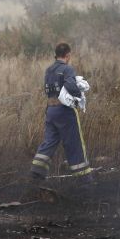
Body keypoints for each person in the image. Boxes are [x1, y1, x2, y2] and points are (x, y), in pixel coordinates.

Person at [29, 42, 91, 179]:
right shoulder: (67, 69)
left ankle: (36, 172)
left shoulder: (49, 70)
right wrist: (79, 94)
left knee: (50, 141)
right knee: (74, 143)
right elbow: (70, 85)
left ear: (56, 55)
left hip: (51, 111)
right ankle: (84, 179)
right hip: (64, 111)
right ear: (68, 55)